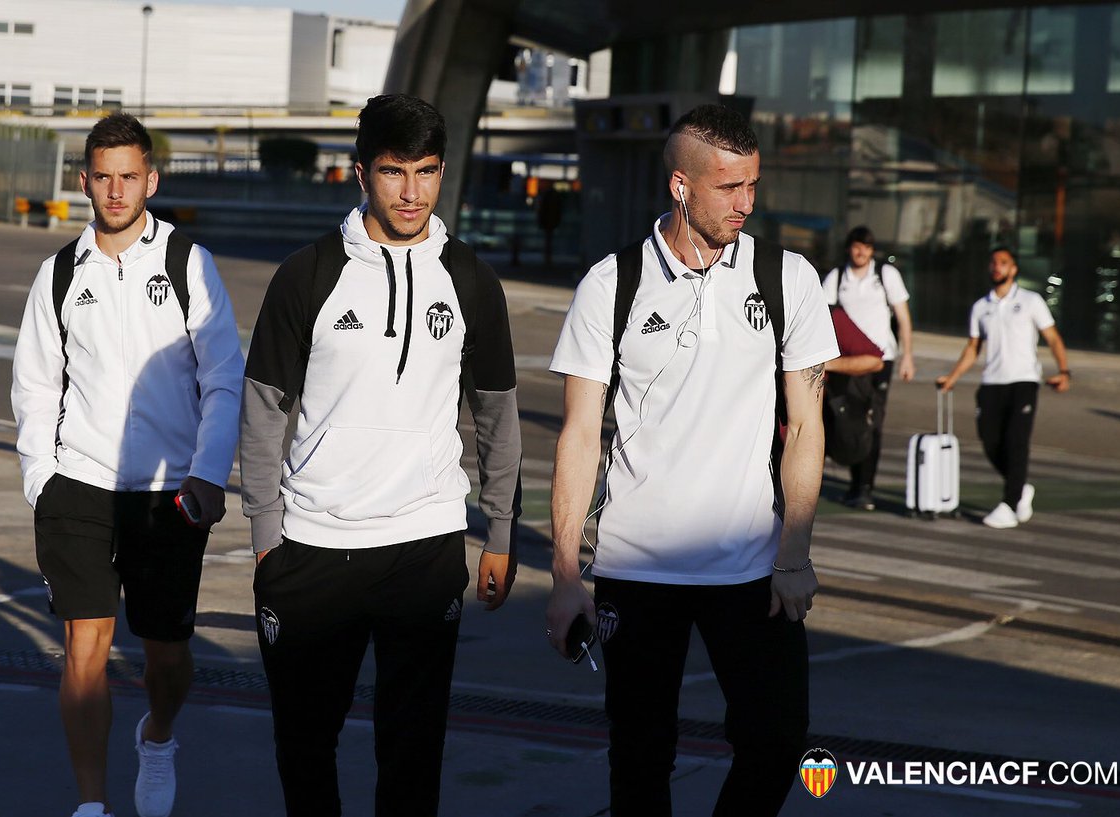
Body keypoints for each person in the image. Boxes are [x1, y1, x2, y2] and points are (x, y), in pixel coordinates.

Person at [546, 104, 838, 817]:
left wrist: (795, 552)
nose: (746, 203)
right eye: (729, 187)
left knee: (778, 741)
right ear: (681, 186)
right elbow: (580, 435)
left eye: (753, 185)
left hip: (752, 567)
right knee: (640, 759)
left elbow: (806, 427)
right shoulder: (611, 284)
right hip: (636, 568)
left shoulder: (788, 277)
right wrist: (564, 574)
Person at [240, 94, 522, 817]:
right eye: (394, 171)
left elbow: (496, 413)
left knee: (414, 752)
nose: (411, 191)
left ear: (442, 172)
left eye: (426, 171)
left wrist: (499, 529)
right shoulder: (307, 274)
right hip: (312, 544)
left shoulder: (470, 279)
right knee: (305, 745)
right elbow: (264, 409)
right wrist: (266, 534)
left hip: (425, 543)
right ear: (361, 172)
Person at [11, 113, 243, 817]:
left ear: (152, 180)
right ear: (84, 182)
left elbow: (224, 377)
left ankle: (158, 734)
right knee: (85, 644)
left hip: (167, 493)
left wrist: (207, 473)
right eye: (104, 177)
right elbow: (35, 384)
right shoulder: (59, 273)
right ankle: (92, 804)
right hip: (78, 487)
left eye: (129, 177)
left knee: (166, 655)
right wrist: (41, 479)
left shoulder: (187, 262)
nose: (116, 191)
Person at [936, 246, 1070, 528]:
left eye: (1003, 262)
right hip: (991, 383)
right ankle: (1020, 488)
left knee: (1016, 442)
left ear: (1014, 269)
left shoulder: (1031, 301)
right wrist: (952, 377)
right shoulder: (980, 307)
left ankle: (1009, 504)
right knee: (990, 441)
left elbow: (1053, 338)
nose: (997, 267)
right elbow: (973, 348)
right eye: (994, 262)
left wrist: (1063, 371)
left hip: (1023, 381)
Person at [822, 226, 916, 510]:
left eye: (866, 247)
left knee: (872, 421)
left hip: (881, 360)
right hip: (849, 362)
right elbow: (824, 316)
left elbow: (903, 317)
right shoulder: (837, 277)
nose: (861, 251)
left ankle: (865, 488)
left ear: (872, 250)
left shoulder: (886, 275)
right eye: (856, 246)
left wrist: (908, 356)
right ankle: (854, 484)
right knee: (849, 419)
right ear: (849, 248)